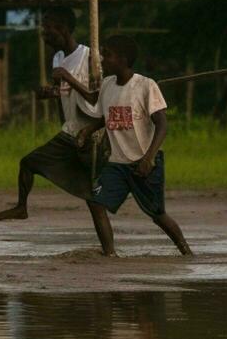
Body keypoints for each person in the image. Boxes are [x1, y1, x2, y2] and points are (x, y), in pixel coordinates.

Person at [75, 35, 192, 257]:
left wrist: (149, 157)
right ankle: (110, 254)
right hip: (117, 163)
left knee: (157, 214)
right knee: (95, 202)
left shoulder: (146, 86)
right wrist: (87, 130)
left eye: (107, 54)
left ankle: (186, 251)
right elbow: (105, 115)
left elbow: (162, 124)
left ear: (123, 59)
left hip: (144, 162)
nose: (102, 59)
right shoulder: (107, 85)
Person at [0, 6, 96, 220]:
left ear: (64, 30)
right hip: (69, 131)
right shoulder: (58, 58)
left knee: (94, 197)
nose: (44, 34)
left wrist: (68, 78)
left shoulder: (89, 57)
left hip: (91, 132)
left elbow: (95, 97)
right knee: (29, 163)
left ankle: (110, 249)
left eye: (48, 30)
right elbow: (63, 93)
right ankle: (21, 207)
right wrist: (50, 93)